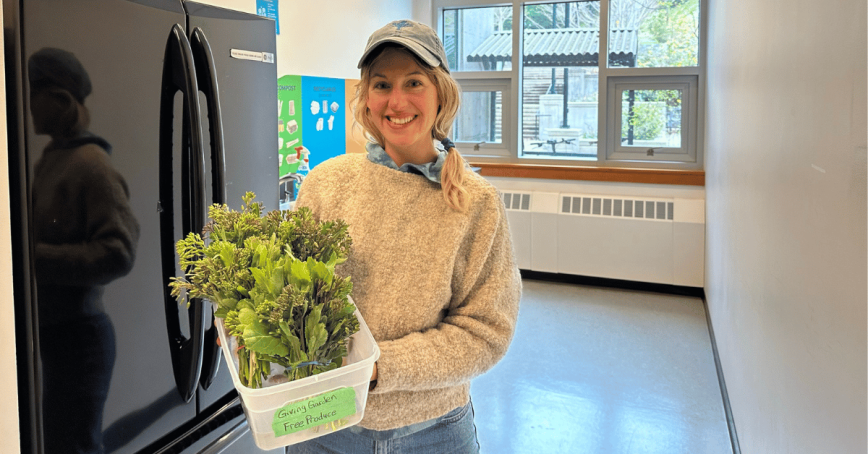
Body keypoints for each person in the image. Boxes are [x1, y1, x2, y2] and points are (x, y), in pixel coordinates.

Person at [290, 19, 522, 453]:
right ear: (367, 98)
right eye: (382, 85)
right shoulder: (326, 183)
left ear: (440, 93)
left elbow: (486, 332)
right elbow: (291, 292)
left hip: (433, 432)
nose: (397, 101)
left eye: (413, 82)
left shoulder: (475, 202)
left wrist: (376, 367)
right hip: (322, 426)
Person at [28, 47, 140, 454]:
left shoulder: (91, 164)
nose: (27, 106)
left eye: (32, 94)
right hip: (55, 335)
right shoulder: (49, 159)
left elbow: (119, 251)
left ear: (58, 100)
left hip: (82, 340)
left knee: (75, 444)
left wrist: (33, 259)